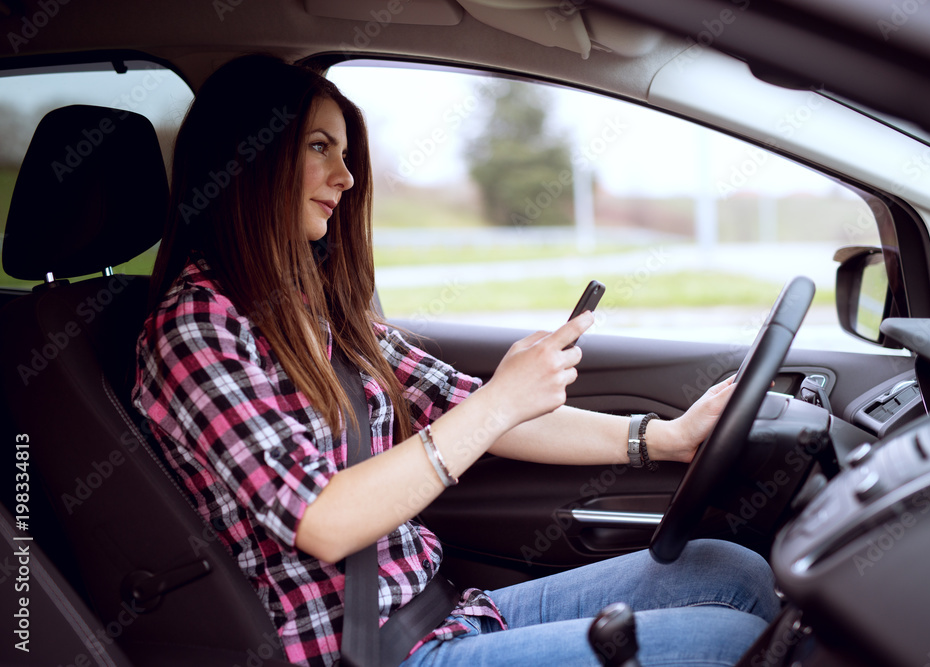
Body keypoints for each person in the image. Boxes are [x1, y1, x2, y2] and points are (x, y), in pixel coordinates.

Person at [133, 54, 779, 667]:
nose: (347, 178)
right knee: (730, 642)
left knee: (731, 571)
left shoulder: (314, 310)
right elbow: (321, 520)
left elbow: (469, 407)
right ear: (251, 155)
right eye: (319, 147)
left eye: (347, 154)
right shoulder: (195, 328)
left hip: (444, 614)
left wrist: (660, 438)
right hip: (369, 652)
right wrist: (500, 398)